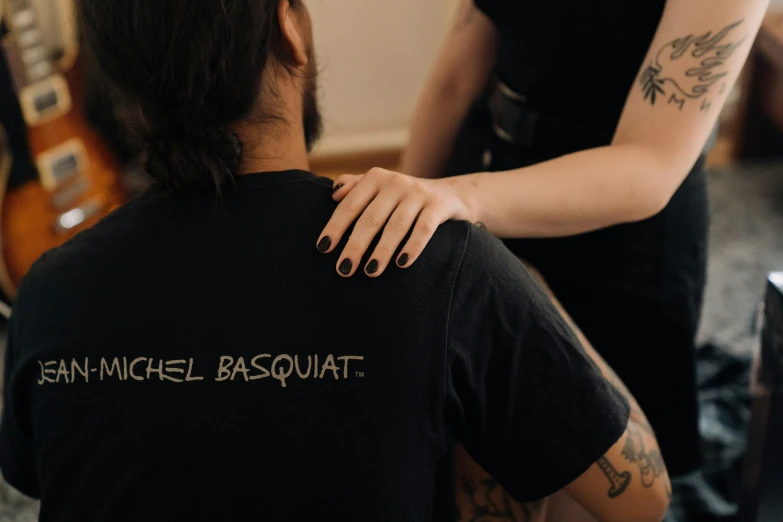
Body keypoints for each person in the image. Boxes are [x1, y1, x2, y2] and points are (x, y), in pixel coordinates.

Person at [0, 1, 672, 520]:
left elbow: (34, 476)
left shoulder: (49, 288)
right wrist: (529, 294)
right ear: (286, 29)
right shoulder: (447, 272)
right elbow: (639, 497)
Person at [316, 0, 770, 486]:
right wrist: (403, 204)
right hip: (483, 158)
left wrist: (459, 196)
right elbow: (460, 67)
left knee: (601, 472)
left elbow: (651, 163)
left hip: (616, 226)